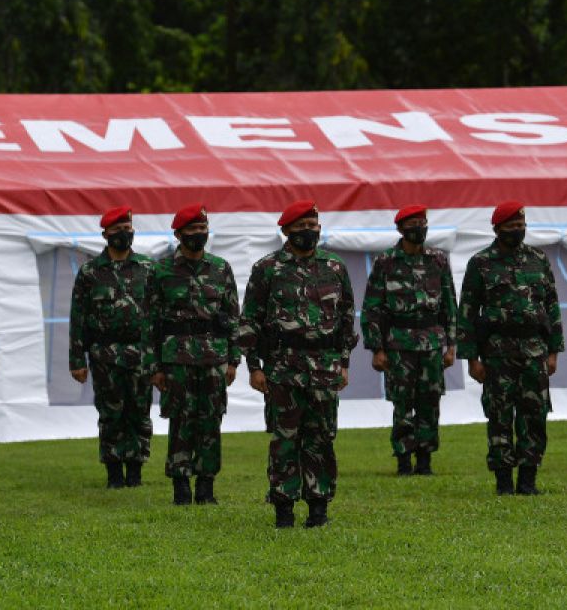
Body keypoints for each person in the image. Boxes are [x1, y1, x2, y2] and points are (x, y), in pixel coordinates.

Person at [239, 200, 355, 528]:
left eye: (314, 225)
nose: (310, 232)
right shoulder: (268, 269)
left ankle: (319, 509)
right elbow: (250, 321)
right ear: (287, 231)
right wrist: (254, 367)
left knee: (321, 438)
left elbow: (346, 317)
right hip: (283, 368)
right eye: (302, 227)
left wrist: (344, 362)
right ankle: (284, 510)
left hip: (324, 368)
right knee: (285, 439)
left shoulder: (334, 266)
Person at [458, 202, 562, 496]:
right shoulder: (481, 263)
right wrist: (472, 359)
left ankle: (528, 481)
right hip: (497, 354)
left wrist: (554, 352)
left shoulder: (538, 259)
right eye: (512, 227)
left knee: (534, 416)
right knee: (500, 416)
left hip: (534, 352)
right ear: (497, 229)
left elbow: (552, 306)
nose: (518, 231)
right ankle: (504, 482)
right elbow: (467, 312)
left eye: (521, 226)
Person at [148, 203, 240, 505]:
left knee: (211, 421)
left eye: (203, 229)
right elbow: (149, 324)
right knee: (181, 421)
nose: (199, 234)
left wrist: (233, 359)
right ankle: (180, 485)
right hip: (176, 361)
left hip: (214, 359)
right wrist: (155, 367)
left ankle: (206, 486)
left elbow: (232, 316)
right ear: (179, 234)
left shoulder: (220, 268)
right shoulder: (160, 271)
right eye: (193, 230)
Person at [363, 205, 457, 477]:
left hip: (431, 342)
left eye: (423, 222)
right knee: (402, 402)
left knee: (430, 401)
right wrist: (377, 349)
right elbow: (373, 307)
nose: (419, 228)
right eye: (413, 223)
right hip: (399, 345)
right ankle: (404, 459)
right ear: (401, 229)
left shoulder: (437, 260)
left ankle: (425, 459)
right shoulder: (386, 262)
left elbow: (449, 304)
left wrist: (451, 346)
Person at [68, 205, 154, 489]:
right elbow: (78, 317)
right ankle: (115, 473)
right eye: (117, 229)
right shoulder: (91, 272)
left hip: (141, 354)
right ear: (105, 234)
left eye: (127, 228)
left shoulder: (148, 268)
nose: (123, 233)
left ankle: (136, 471)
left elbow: (157, 314)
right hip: (104, 354)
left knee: (139, 412)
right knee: (111, 414)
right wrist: (76, 360)